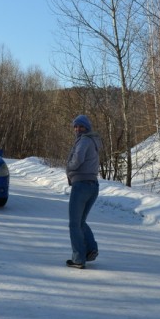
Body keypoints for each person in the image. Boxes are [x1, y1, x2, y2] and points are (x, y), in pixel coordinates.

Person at [65, 114, 102, 269]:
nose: (77, 129)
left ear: (87, 127)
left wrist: (68, 168)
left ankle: (79, 259)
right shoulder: (94, 141)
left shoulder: (85, 140)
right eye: (75, 126)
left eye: (80, 126)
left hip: (81, 185)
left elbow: (78, 159)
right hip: (93, 185)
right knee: (81, 222)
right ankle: (91, 249)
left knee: (74, 224)